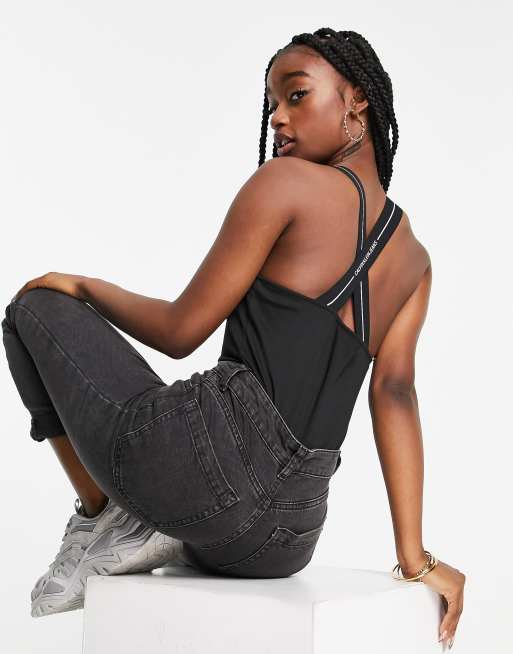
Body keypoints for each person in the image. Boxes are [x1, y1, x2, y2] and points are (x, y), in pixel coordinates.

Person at [2, 27, 464, 648]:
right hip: (284, 542)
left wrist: (84, 286)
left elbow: (179, 331)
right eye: (272, 104)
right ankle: (141, 523)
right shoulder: (415, 260)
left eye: (296, 95)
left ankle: (102, 514)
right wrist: (415, 558)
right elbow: (396, 395)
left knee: (32, 308)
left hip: (194, 472)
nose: (278, 118)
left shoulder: (284, 182)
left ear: (356, 99)